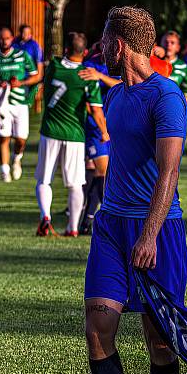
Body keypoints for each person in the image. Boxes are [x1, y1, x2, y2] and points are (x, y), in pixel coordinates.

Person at [85, 5, 187, 374]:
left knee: (159, 340)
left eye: (104, 41)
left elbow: (169, 172)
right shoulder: (114, 97)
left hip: (158, 230)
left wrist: (148, 235)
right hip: (110, 227)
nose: (99, 49)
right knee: (97, 326)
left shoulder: (167, 96)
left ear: (120, 45)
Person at [35, 32, 103, 237]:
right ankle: (72, 227)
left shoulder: (53, 67)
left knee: (44, 180)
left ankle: (45, 216)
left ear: (65, 49)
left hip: (50, 131)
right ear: (85, 52)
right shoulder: (87, 76)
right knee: (75, 183)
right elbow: (97, 110)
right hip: (75, 134)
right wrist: (105, 132)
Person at [0, 27, 40, 183]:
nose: (4, 41)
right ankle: (4, 171)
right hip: (1, 104)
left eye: (6, 38)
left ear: (12, 39)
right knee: (4, 137)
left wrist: (21, 83)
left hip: (20, 102)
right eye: (1, 38)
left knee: (21, 139)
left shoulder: (22, 56)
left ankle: (16, 159)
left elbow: (36, 76)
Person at [79, 43, 115, 235]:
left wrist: (101, 77)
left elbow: (124, 85)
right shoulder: (89, 65)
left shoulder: (116, 67)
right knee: (102, 172)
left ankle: (86, 218)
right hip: (96, 127)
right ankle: (100, 218)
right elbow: (86, 98)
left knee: (97, 172)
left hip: (114, 127)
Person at [14, 24, 44, 111]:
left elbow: (39, 66)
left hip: (28, 76)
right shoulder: (15, 43)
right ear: (20, 33)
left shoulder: (35, 46)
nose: (26, 35)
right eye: (24, 33)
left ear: (31, 34)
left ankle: (26, 104)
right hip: (15, 74)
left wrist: (38, 77)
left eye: (28, 33)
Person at [161, 31, 187, 103]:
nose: (168, 45)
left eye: (172, 43)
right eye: (166, 42)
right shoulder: (151, 63)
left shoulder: (183, 67)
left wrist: (178, 108)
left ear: (178, 48)